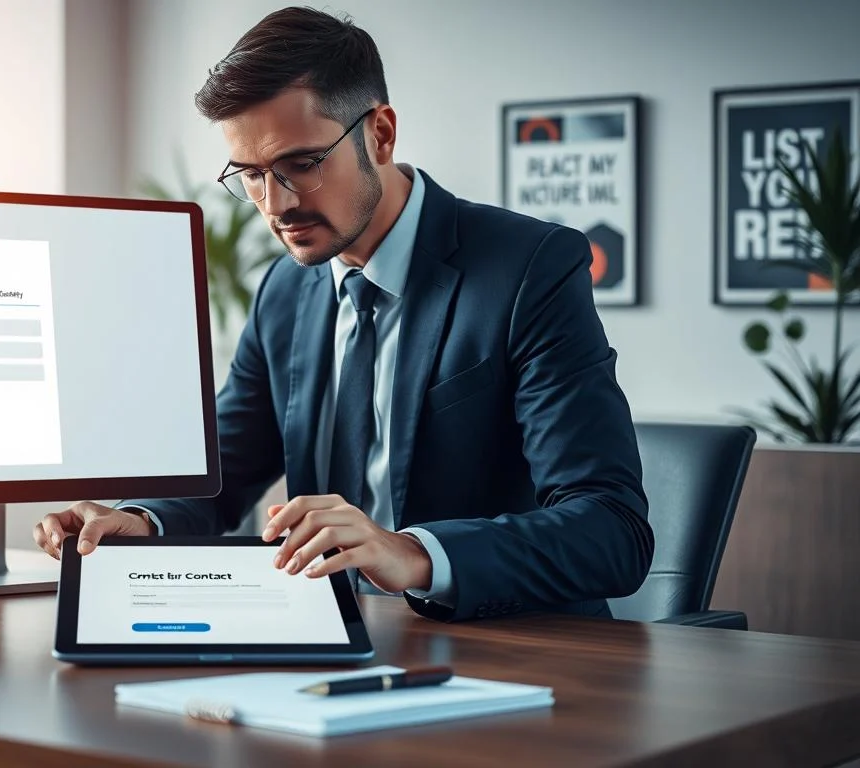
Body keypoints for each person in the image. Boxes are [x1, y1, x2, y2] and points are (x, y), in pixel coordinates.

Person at [33, 6, 653, 622]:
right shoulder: (284, 289)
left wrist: (412, 552)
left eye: (301, 165)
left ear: (380, 134)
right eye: (251, 175)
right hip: (329, 639)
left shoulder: (529, 268)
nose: (275, 205)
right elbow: (224, 470)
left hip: (512, 656)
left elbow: (610, 529)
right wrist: (139, 520)